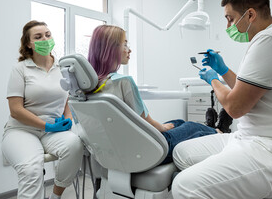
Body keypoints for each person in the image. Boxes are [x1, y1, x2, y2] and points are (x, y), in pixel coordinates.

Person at [172, 0, 272, 199]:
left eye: (230, 19)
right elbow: (245, 90)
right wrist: (221, 69)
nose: (228, 26)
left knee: (185, 186)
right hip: (248, 138)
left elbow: (234, 107)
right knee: (181, 153)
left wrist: (213, 80)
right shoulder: (270, 39)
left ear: (250, 15)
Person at [87, 25, 220, 164]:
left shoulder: (88, 89)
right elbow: (147, 122)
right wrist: (162, 128)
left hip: (115, 153)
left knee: (179, 123)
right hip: (146, 153)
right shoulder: (123, 81)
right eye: (125, 44)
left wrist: (164, 127)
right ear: (111, 49)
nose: (129, 49)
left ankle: (213, 130)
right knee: (193, 127)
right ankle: (219, 133)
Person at [1, 20, 84, 199]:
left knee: (75, 145)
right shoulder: (20, 69)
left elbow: (68, 96)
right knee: (31, 169)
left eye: (48, 35)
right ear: (29, 44)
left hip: (53, 131)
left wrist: (68, 117)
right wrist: (46, 125)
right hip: (22, 130)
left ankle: (55, 196)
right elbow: (15, 110)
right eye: (38, 37)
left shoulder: (63, 68)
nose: (45, 39)